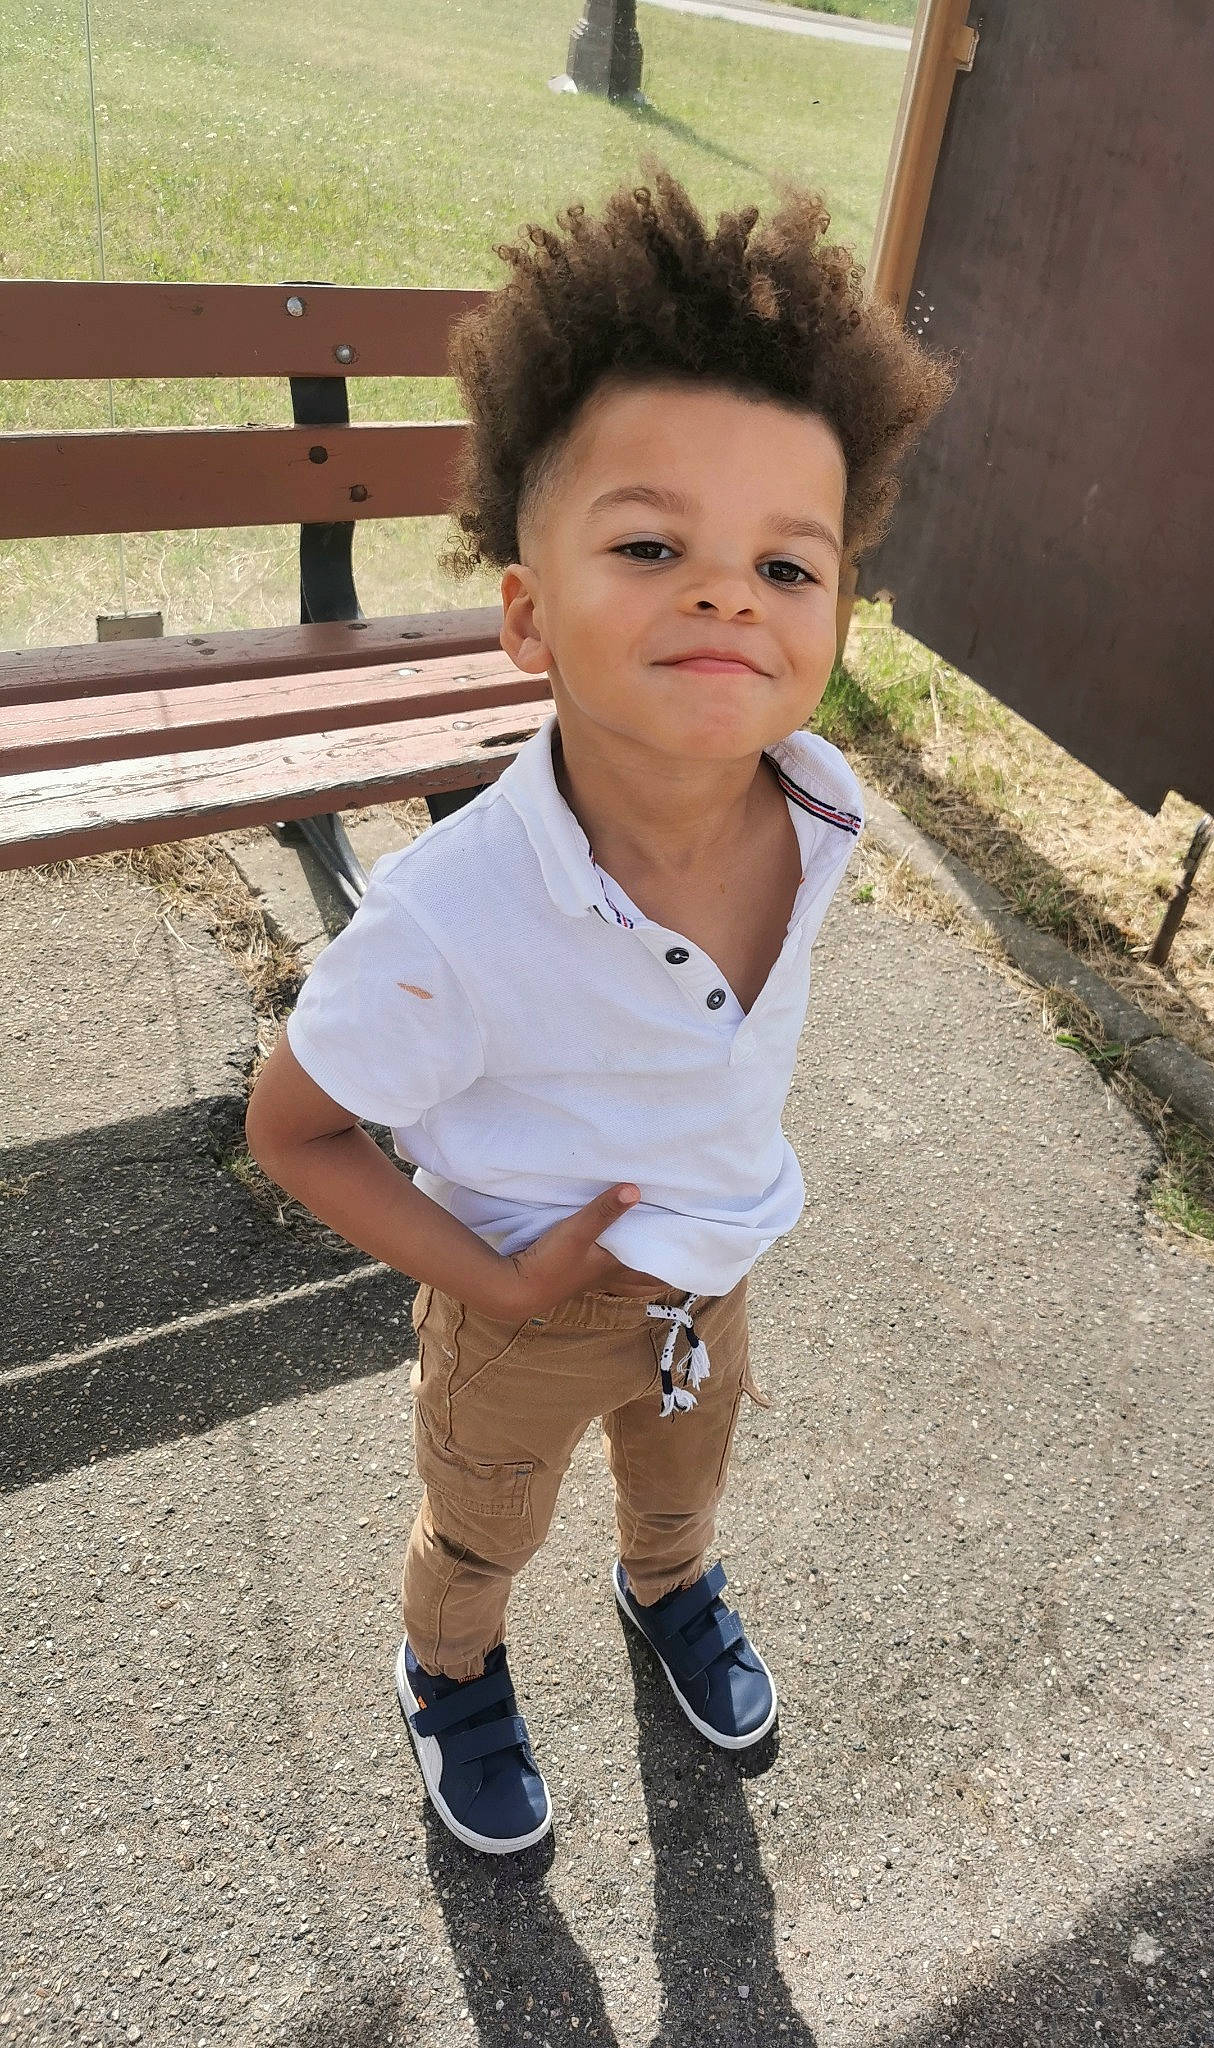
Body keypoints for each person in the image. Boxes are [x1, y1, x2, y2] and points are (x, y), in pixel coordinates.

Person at [244, 157, 953, 1857]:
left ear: (837, 614)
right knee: (484, 1525)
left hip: (719, 1266)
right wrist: (495, 1278)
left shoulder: (828, 807)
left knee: (682, 1479)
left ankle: (670, 1588)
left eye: (788, 565)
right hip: (524, 1302)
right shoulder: (451, 917)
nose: (728, 593)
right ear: (526, 612)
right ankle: (450, 1669)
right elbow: (295, 1128)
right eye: (650, 545)